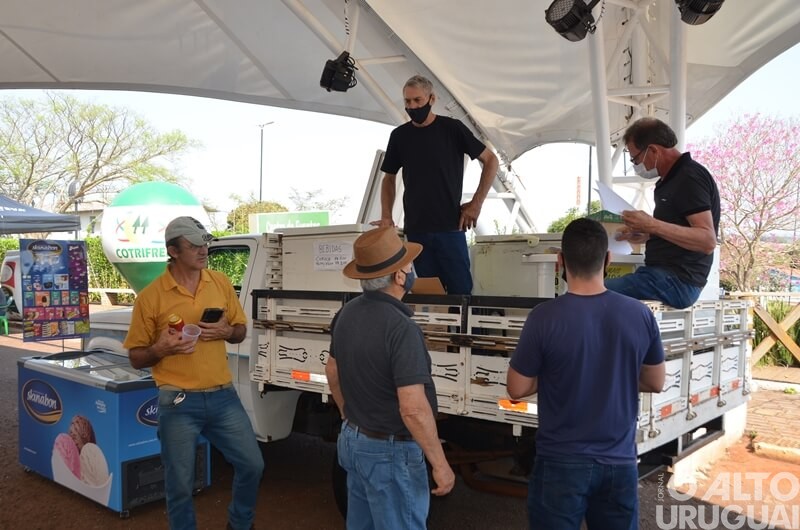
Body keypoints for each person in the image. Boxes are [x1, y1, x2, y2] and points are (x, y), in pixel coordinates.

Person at [507, 218, 666, 530]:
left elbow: (516, 387)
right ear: (607, 260)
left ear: (560, 261)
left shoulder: (543, 318)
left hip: (559, 462)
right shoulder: (640, 314)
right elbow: (655, 382)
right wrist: (613, 371)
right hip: (618, 463)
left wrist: (553, 375)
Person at [124, 216, 263, 530]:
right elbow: (135, 357)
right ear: (173, 250)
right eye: (193, 245)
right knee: (180, 485)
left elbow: (240, 331)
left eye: (205, 243)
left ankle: (240, 523)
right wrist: (160, 349)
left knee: (253, 465)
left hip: (223, 396)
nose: (203, 250)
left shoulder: (220, 282)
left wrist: (227, 330)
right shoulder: (151, 296)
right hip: (177, 401)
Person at [325, 226, 455, 529]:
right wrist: (440, 463)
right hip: (390, 453)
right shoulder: (402, 328)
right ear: (399, 276)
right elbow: (412, 408)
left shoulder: (348, 312)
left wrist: (349, 417)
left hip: (354, 441)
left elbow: (332, 370)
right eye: (408, 265)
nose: (411, 271)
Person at [373, 74, 499, 295]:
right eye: (407, 102)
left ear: (431, 99)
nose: (412, 106)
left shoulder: (453, 129)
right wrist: (386, 216)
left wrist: (476, 204)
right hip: (417, 231)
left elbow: (491, 160)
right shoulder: (399, 136)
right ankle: (435, 330)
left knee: (461, 294)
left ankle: (459, 330)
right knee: (428, 294)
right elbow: (388, 178)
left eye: (417, 101)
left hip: (451, 227)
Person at [606, 117, 720, 309]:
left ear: (653, 150)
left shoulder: (688, 178)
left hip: (678, 281)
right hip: (663, 276)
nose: (636, 165)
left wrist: (653, 225)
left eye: (635, 159)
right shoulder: (671, 180)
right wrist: (645, 234)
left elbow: (707, 241)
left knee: (590, 290)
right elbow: (678, 229)